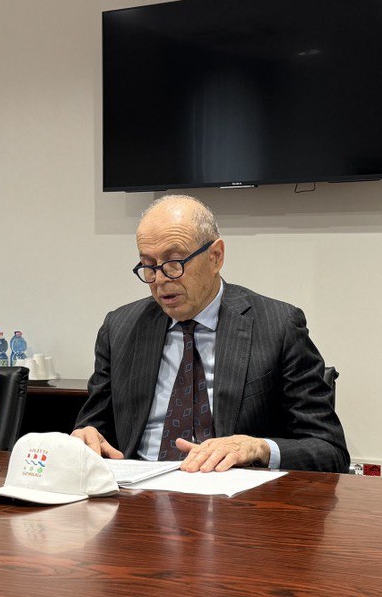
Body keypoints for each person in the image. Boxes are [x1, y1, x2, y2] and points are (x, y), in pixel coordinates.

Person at [71, 195, 348, 473]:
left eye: (174, 263)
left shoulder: (278, 326)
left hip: (233, 492)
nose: (160, 279)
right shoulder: (119, 328)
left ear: (216, 256)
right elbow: (94, 428)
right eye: (148, 266)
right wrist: (86, 437)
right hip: (136, 488)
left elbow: (329, 450)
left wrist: (258, 448)